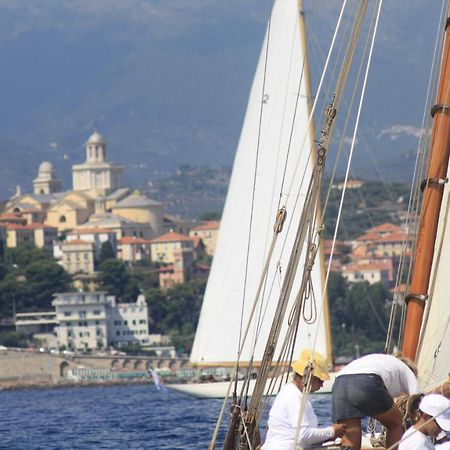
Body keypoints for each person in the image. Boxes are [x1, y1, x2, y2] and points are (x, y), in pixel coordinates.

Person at [331, 353, 420, 450]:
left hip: (339, 383)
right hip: (366, 381)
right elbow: (418, 401)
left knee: (351, 439)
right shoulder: (408, 373)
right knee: (395, 423)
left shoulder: (386, 364)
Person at [262, 349, 346, 450]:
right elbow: (303, 435)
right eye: (321, 380)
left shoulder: (293, 393)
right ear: (310, 376)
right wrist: (332, 431)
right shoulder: (294, 397)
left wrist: (330, 435)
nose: (322, 385)